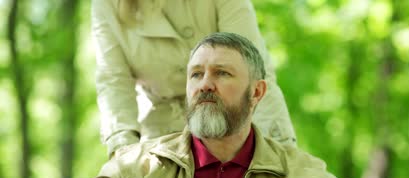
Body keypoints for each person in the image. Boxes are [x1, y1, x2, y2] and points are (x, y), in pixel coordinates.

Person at [39, 32, 394, 178]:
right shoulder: (138, 164)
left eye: (222, 74)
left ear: (256, 93)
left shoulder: (299, 171)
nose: (204, 85)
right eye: (196, 74)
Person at [92, 0, 297, 157]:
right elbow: (113, 80)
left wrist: (279, 147)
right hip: (161, 133)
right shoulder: (107, 5)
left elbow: (254, 71)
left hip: (229, 123)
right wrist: (123, 150)